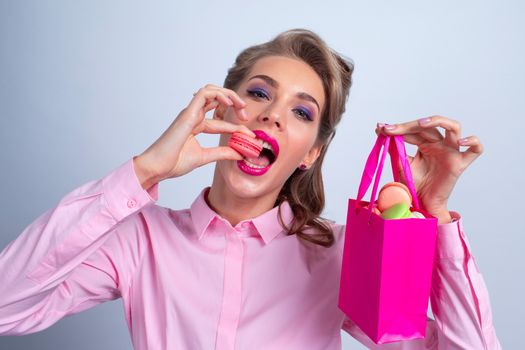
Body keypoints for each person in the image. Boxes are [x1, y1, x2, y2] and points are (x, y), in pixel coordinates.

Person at [0, 28, 501, 349]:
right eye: (259, 93)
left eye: (302, 112)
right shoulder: (140, 242)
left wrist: (433, 213)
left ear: (311, 153)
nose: (272, 114)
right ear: (221, 109)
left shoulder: (340, 256)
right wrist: (145, 171)